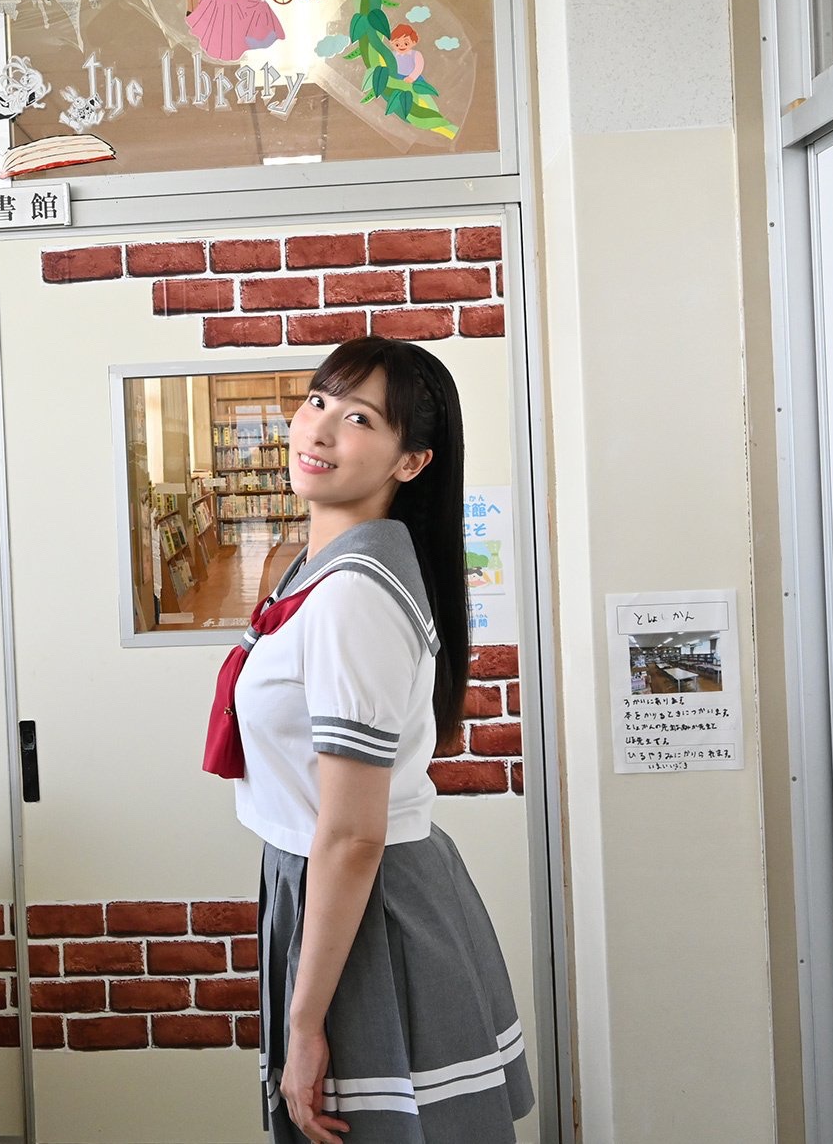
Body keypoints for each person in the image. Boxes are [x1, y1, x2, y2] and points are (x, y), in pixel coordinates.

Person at [209, 336, 533, 1143]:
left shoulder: (352, 594)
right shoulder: (316, 568)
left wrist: (305, 1021)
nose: (318, 429)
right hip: (339, 888)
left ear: (411, 461)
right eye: (317, 401)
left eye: (358, 419)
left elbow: (353, 832)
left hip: (367, 901)